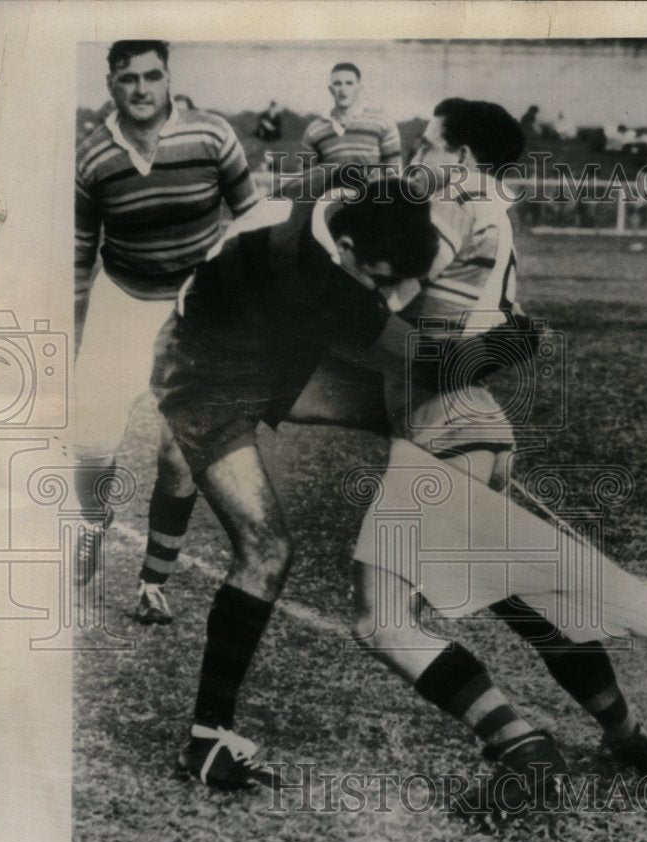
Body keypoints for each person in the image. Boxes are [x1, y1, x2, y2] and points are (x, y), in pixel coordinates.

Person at [344, 99, 647, 817]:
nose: (418, 158)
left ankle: (519, 744)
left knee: (381, 618)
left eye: (428, 146)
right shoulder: (493, 208)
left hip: (446, 437)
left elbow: (405, 281)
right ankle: (628, 734)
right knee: (528, 604)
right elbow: (505, 328)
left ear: (464, 159)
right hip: (476, 433)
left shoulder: (453, 205)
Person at [150, 178, 440, 790]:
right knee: (267, 550)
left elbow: (393, 285)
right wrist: (513, 340)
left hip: (263, 342)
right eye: (377, 276)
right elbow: (417, 353)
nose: (385, 292)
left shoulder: (343, 200)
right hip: (207, 375)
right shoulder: (302, 268)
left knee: (415, 411)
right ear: (348, 243)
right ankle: (207, 740)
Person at [73, 40, 258, 622]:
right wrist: (74, 334)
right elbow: (80, 256)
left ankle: (154, 583)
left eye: (153, 76)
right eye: (128, 78)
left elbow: (252, 223)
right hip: (122, 298)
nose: (142, 89)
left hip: (194, 307)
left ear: (168, 77)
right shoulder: (92, 157)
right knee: (89, 443)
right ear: (111, 85)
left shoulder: (212, 136)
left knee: (179, 454)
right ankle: (93, 522)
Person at [300, 62, 401, 170]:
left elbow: (394, 177)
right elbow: (308, 180)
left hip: (373, 187)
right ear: (330, 89)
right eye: (337, 83)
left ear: (359, 88)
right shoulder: (314, 131)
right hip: (333, 187)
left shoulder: (383, 123)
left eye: (349, 83)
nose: (343, 89)